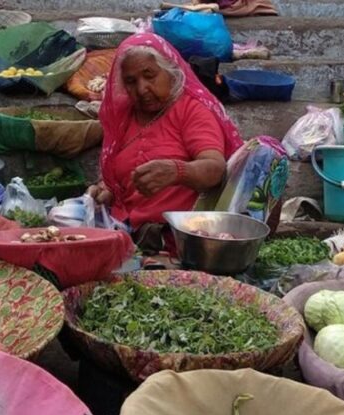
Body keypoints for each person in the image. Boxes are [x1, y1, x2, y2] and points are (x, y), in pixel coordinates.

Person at [88, 33, 246, 251]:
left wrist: (177, 171)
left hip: (174, 237)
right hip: (124, 227)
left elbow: (216, 169)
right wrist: (104, 190)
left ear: (171, 72)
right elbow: (118, 176)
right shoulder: (124, 117)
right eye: (131, 82)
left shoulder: (190, 110)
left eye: (150, 76)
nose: (142, 89)